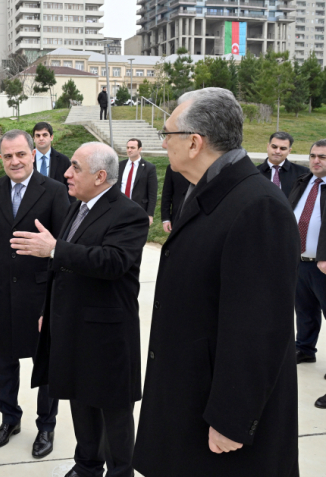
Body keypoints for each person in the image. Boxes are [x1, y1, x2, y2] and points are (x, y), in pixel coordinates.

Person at [133, 88, 300, 477]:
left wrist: (232, 419)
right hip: (190, 394)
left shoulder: (257, 206)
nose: (162, 142)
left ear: (194, 142)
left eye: (167, 133)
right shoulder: (209, 191)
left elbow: (260, 329)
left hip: (221, 425)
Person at [13, 142, 149, 477]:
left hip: (107, 335)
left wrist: (55, 248)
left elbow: (113, 261)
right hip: (72, 326)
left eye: (75, 167)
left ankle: (120, 472)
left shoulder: (128, 213)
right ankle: (87, 466)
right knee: (80, 401)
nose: (66, 173)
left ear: (101, 176)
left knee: (114, 415)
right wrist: (50, 308)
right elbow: (65, 267)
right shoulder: (80, 206)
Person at [0, 129, 70, 458]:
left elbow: (62, 249)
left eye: (20, 154)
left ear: (33, 154)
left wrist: (57, 297)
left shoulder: (55, 192)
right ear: (1, 159)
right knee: (5, 360)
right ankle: (9, 418)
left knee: (45, 364)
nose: (14, 161)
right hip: (1, 292)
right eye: (7, 156)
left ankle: (46, 426)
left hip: (41, 293)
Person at [288, 139, 326, 368]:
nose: (316, 161)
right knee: (304, 310)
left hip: (323, 265)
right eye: (313, 156)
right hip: (299, 262)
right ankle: (304, 348)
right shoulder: (302, 182)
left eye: (322, 157)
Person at [257, 132, 309, 198]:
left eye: (283, 148)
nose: (277, 151)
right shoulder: (254, 172)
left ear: (289, 151)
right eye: (274, 147)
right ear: (268, 146)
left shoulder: (303, 173)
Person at [118, 138, 158, 226]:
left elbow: (152, 193)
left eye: (132, 148)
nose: (129, 150)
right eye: (127, 147)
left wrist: (150, 214)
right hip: (120, 208)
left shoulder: (149, 168)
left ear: (140, 149)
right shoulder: (120, 165)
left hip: (139, 208)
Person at [31, 122, 74, 201]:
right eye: (38, 135)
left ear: (51, 137)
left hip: (57, 208)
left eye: (45, 135)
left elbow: (71, 189)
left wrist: (70, 211)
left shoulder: (63, 161)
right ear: (33, 138)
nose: (41, 138)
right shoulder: (26, 160)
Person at [160, 164, 190, 233]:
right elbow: (166, 194)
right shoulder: (172, 167)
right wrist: (166, 219)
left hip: (198, 217)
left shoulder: (202, 166)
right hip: (177, 216)